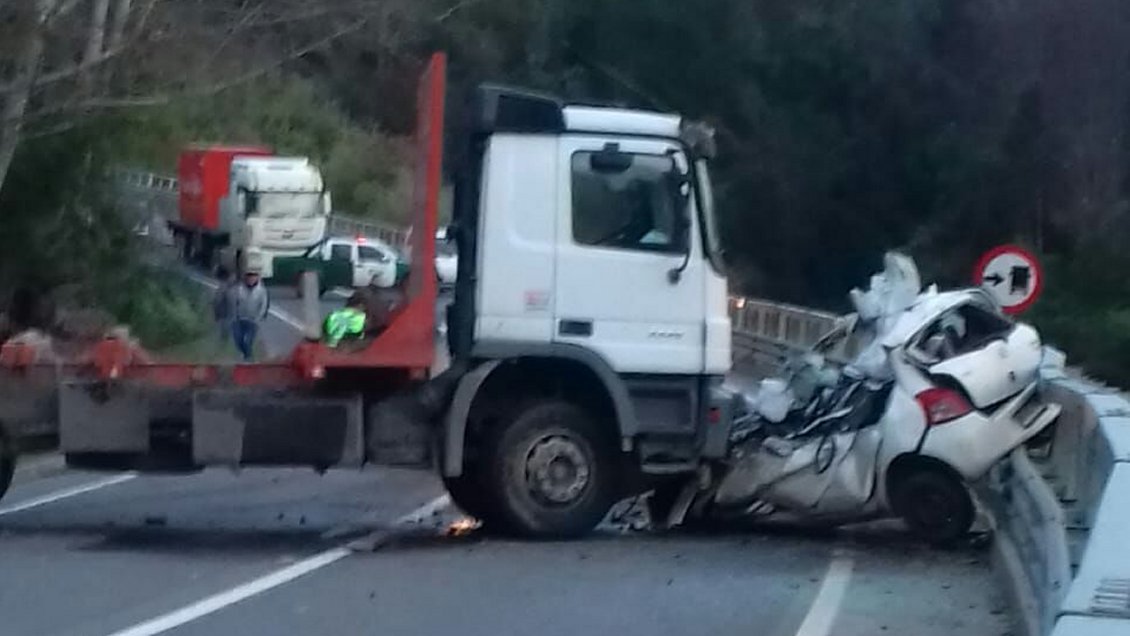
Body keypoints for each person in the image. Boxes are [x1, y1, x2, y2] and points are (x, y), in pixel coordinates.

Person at [231, 266, 270, 360]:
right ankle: (245, 355)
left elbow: (263, 305)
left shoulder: (261, 291)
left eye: (253, 276)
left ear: (257, 278)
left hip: (253, 320)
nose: (251, 279)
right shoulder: (239, 289)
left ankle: (249, 358)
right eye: (249, 277)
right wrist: (234, 315)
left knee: (247, 341)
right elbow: (233, 302)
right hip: (239, 319)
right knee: (238, 340)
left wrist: (259, 317)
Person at [212, 266, 236, 343]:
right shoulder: (233, 287)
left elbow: (217, 301)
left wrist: (216, 314)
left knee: (224, 335)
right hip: (231, 315)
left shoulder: (223, 287)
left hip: (225, 315)